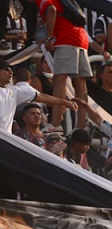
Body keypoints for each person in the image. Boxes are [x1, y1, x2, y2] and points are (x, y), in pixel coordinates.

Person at [37, 0, 90, 130]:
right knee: (80, 82)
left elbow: (51, 10)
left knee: (59, 79)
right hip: (82, 39)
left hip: (66, 38)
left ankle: (55, 123)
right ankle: (81, 125)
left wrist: (49, 38)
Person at [0, 60, 75, 134]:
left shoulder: (15, 91)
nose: (11, 73)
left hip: (6, 139)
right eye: (6, 70)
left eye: (11, 70)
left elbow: (41, 97)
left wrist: (65, 102)